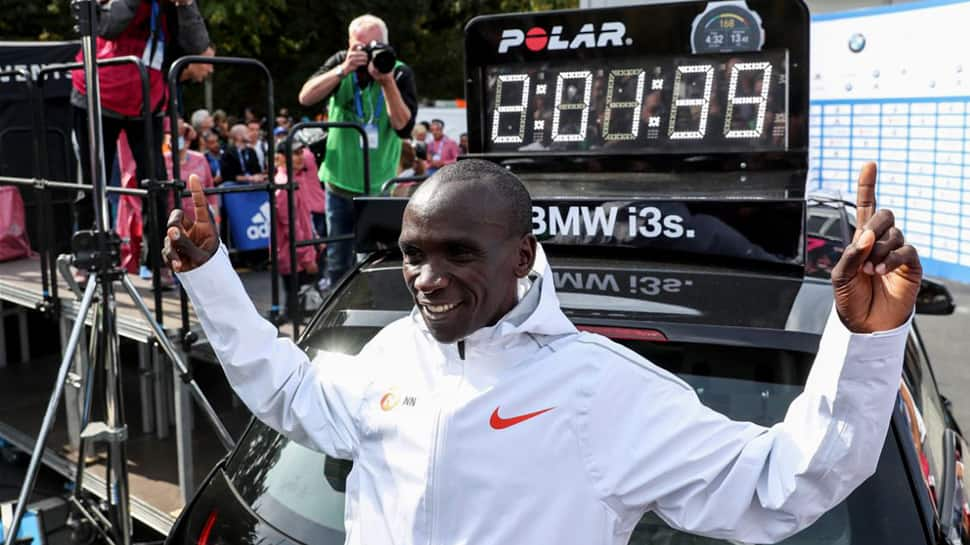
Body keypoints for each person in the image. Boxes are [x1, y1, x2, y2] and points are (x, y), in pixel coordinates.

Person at [164, 160, 922, 545]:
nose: (428, 279)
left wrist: (864, 338)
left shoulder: (601, 388)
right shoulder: (393, 353)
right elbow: (296, 396)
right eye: (413, 254)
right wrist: (212, 277)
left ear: (522, 254)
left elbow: (779, 482)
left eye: (457, 252)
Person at [70, 0, 210, 283]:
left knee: (156, 183)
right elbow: (109, 27)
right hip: (98, 95)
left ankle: (158, 261)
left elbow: (198, 46)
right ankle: (85, 257)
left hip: (147, 100)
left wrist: (186, 5)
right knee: (91, 181)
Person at [298, 14, 417, 288]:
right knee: (338, 258)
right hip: (338, 185)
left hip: (379, 186)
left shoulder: (398, 72)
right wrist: (343, 69)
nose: (365, 53)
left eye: (372, 45)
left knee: (375, 260)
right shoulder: (341, 63)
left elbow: (403, 127)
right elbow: (305, 97)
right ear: (350, 45)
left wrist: (386, 81)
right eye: (358, 46)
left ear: (385, 45)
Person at [272, 141, 319, 318]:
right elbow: (291, 227)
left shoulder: (297, 179)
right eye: (295, 153)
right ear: (282, 157)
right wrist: (307, 258)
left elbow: (305, 216)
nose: (300, 157)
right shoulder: (284, 185)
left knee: (301, 307)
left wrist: (315, 238)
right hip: (294, 255)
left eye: (301, 152)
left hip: (302, 250)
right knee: (296, 311)